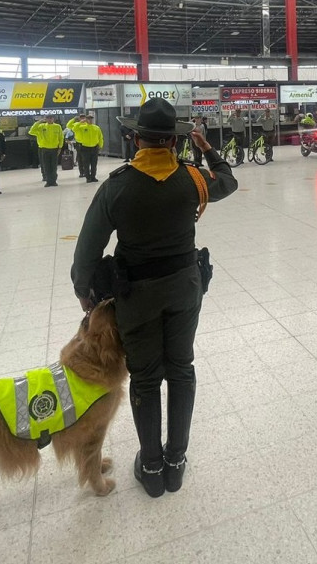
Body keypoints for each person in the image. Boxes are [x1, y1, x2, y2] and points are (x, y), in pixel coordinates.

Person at [70, 98, 238, 498]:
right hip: (185, 288)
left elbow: (86, 254)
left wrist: (85, 295)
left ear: (135, 138)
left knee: (145, 376)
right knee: (181, 368)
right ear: (176, 141)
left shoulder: (117, 186)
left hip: (136, 296)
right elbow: (228, 181)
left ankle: (151, 465)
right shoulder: (195, 179)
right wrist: (208, 148)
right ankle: (176, 461)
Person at [68, 113, 105, 183]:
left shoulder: (96, 128)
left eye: (91, 119)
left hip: (94, 148)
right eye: (88, 119)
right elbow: (72, 127)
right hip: (85, 148)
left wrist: (100, 145)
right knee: (86, 164)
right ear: (86, 120)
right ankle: (88, 177)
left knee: (94, 164)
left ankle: (93, 177)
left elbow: (100, 137)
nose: (90, 120)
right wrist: (80, 122)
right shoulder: (81, 127)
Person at [30, 115, 64, 187]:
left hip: (54, 149)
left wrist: (60, 147)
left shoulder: (57, 126)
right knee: (46, 166)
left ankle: (54, 181)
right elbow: (31, 131)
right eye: (48, 118)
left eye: (51, 118)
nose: (49, 120)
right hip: (44, 149)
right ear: (45, 119)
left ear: (53, 119)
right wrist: (38, 122)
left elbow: (61, 137)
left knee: (54, 166)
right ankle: (48, 181)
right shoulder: (41, 126)